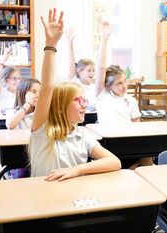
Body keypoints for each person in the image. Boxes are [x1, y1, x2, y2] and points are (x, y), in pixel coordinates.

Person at [30, 8, 121, 181]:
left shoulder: (81, 135)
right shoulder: (42, 130)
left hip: (73, 200)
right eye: (79, 100)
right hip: (44, 201)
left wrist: (77, 170)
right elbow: (48, 86)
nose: (85, 104)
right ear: (61, 105)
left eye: (85, 100)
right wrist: (51, 44)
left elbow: (114, 162)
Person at [95, 20, 153, 169]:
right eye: (119, 84)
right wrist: (105, 39)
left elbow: (137, 125)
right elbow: (101, 68)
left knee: (147, 156)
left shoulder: (131, 100)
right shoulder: (103, 95)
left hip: (129, 141)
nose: (124, 86)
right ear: (108, 85)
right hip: (110, 143)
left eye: (125, 81)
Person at [65, 27, 97, 111]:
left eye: (93, 70)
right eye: (89, 70)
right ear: (79, 72)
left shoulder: (94, 86)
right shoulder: (75, 82)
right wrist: (70, 43)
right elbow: (71, 63)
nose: (92, 73)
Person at [0, 47, 22, 114]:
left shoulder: (21, 94)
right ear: (6, 80)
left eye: (19, 78)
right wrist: (3, 61)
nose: (18, 81)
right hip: (3, 123)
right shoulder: (2, 93)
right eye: (14, 78)